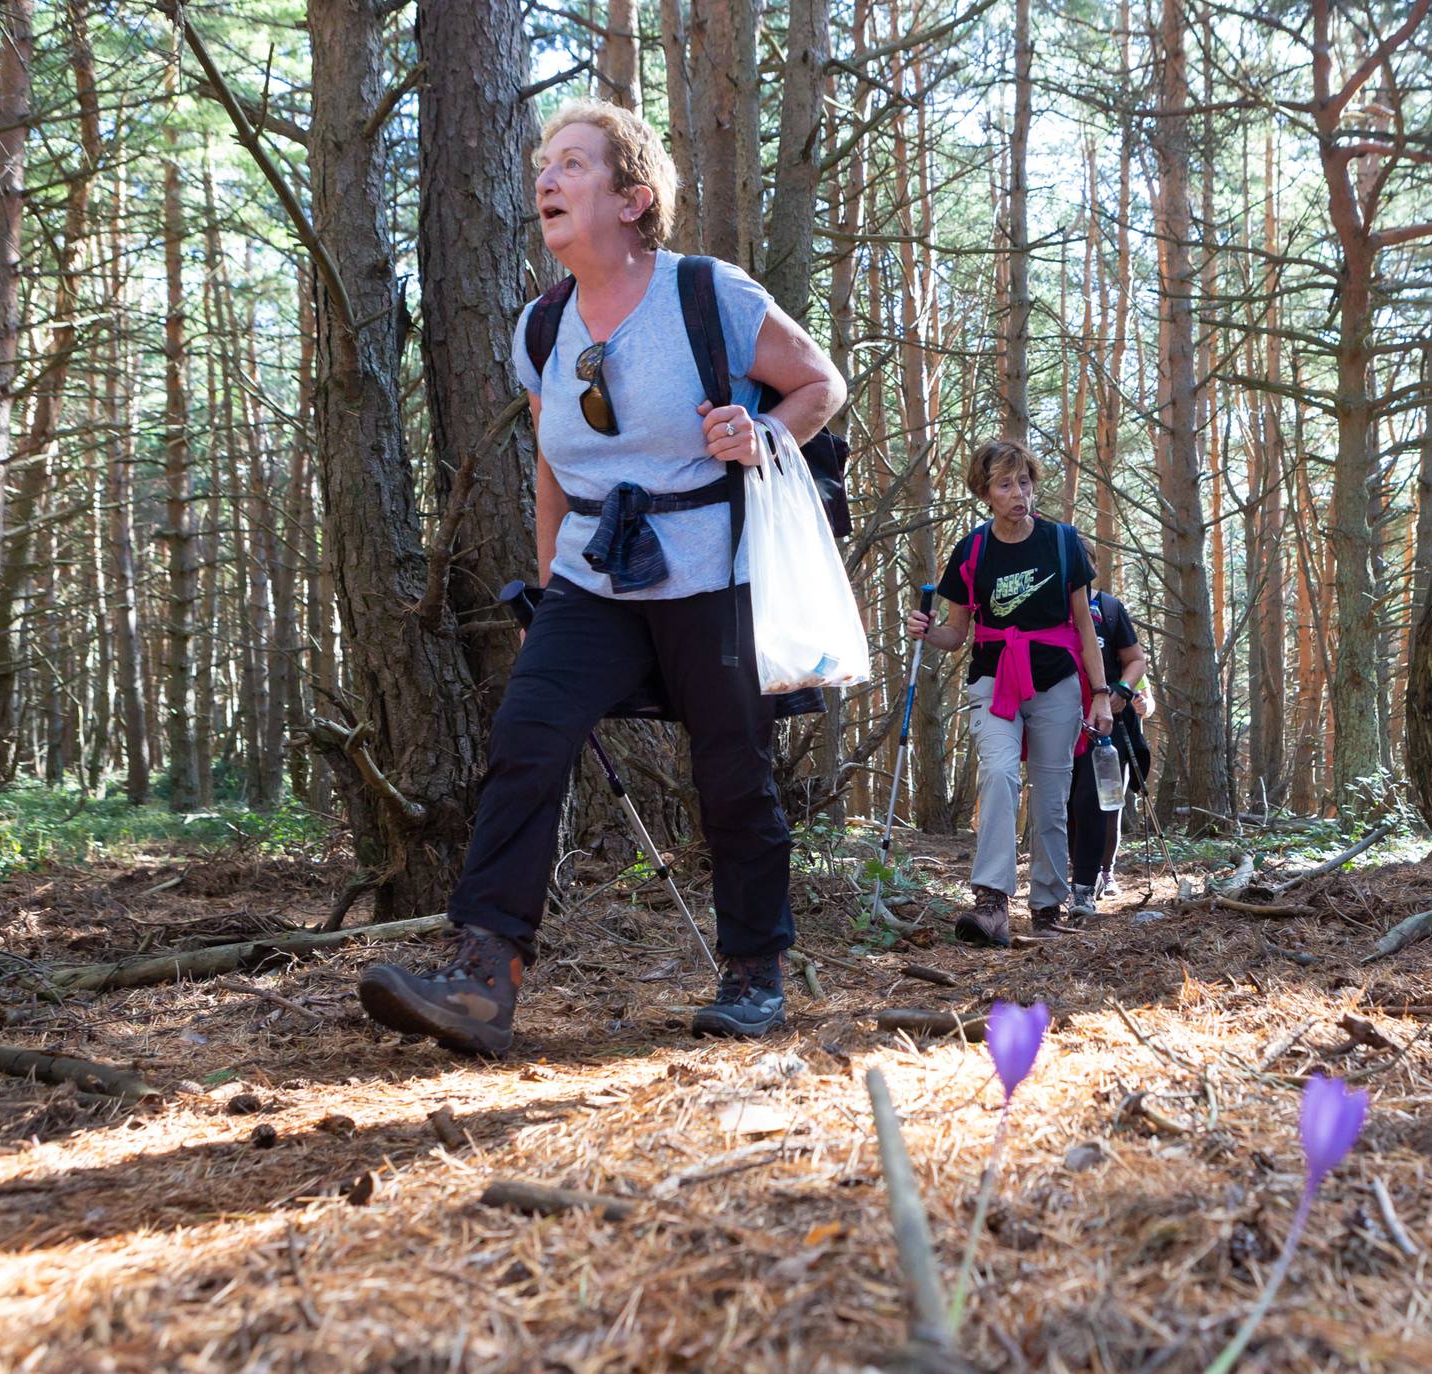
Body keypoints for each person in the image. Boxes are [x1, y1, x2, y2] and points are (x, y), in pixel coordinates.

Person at [356, 100, 846, 1055]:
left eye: (573, 164)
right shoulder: (539, 327)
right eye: (543, 164)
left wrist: (763, 434)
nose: (546, 178)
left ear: (632, 198)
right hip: (590, 579)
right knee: (527, 738)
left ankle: (753, 973)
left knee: (732, 773)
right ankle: (484, 980)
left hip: (715, 569)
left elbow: (818, 381)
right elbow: (551, 470)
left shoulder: (710, 295)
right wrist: (547, 597)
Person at [907, 441, 1113, 946]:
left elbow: (1085, 626)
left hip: (1058, 682)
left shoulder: (1063, 543)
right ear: (985, 493)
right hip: (994, 679)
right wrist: (927, 632)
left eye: (1024, 482)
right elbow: (957, 632)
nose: (1018, 493)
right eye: (1005, 485)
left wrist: (1102, 694)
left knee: (1051, 795)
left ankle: (1047, 906)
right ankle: (992, 903)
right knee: (999, 773)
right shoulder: (973, 550)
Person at [1065, 578, 1150, 915]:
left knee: (1102, 803)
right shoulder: (1053, 607)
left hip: (1108, 723)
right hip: (1061, 718)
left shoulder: (1112, 610)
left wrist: (1126, 694)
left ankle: (1096, 877)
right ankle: (1077, 878)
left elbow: (1138, 667)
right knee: (1068, 804)